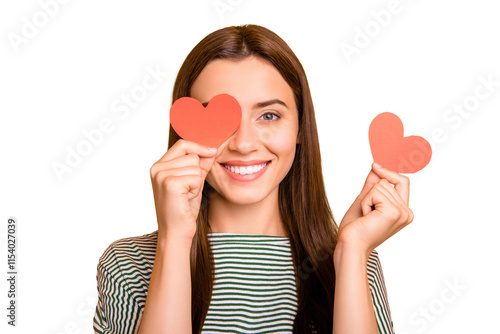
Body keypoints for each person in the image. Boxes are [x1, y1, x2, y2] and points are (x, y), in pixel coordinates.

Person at [93, 24, 413, 334]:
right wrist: (174, 241)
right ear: (186, 129)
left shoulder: (355, 258)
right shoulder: (129, 265)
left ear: (300, 127)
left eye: (269, 115)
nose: (243, 144)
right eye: (221, 118)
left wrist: (352, 252)